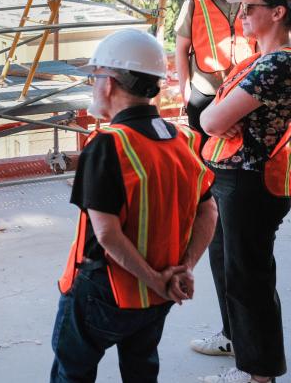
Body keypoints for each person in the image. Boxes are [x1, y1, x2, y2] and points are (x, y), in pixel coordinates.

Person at [50, 29, 218, 383]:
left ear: (109, 83)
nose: (93, 85)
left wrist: (157, 280)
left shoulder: (107, 144)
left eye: (94, 76)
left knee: (72, 372)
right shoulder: (183, 139)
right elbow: (209, 211)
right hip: (157, 297)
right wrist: (181, 269)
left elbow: (107, 234)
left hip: (101, 291)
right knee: (141, 371)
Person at [197, 0, 291, 383]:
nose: (242, 16)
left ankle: (259, 373)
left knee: (248, 276)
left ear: (278, 11)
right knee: (232, 267)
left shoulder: (277, 66)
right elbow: (216, 115)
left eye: (250, 8)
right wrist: (218, 115)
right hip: (234, 181)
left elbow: (212, 121)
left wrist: (216, 116)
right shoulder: (261, 61)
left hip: (250, 183)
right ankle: (240, 344)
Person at [175, 0, 255, 147]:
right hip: (204, 95)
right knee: (203, 159)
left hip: (243, 94)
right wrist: (187, 94)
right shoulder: (193, 3)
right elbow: (181, 51)